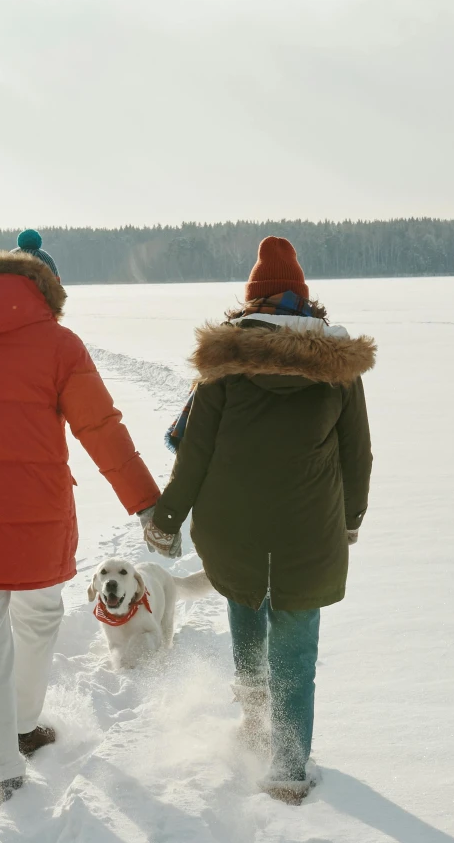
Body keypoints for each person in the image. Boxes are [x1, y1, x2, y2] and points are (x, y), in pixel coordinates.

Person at [0, 234, 159, 803]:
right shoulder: (59, 344)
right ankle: (22, 726)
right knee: (41, 612)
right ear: (45, 291)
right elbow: (100, 429)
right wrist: (147, 502)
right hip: (33, 514)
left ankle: (2, 769)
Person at [142, 236, 373, 803]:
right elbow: (356, 454)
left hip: (233, 531)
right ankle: (289, 769)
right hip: (308, 535)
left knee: (247, 613)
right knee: (295, 647)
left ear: (251, 302)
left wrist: (167, 520)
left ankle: (252, 724)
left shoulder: (222, 369)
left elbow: (194, 454)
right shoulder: (337, 370)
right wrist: (349, 519)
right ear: (303, 300)